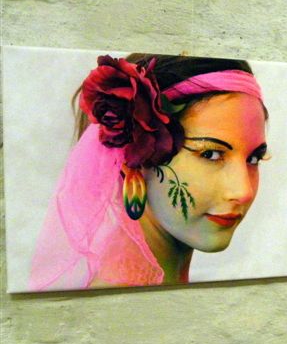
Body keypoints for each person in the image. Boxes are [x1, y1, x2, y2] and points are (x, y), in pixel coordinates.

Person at [29, 54, 269, 290]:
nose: (244, 191)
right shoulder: (122, 304)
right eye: (211, 155)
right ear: (133, 157)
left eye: (253, 158)